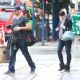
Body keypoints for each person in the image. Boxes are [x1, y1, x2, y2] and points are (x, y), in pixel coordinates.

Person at [5, 5, 36, 74]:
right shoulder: (14, 18)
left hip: (22, 40)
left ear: (19, 10)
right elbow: (14, 27)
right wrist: (10, 28)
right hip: (14, 39)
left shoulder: (24, 18)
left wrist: (20, 28)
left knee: (25, 54)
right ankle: (11, 69)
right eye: (14, 11)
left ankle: (32, 66)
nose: (14, 12)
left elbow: (29, 27)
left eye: (15, 11)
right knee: (12, 54)